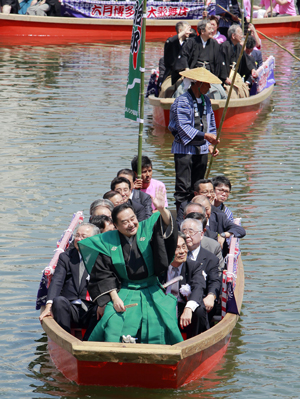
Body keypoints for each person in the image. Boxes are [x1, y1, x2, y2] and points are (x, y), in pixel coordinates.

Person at [78, 187, 183, 345]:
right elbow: (103, 273)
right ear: (116, 225)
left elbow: (167, 227)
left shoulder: (148, 227)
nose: (131, 224)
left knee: (161, 320)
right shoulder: (107, 240)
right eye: (124, 222)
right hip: (124, 290)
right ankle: (107, 358)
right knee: (112, 320)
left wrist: (162, 210)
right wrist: (114, 298)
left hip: (152, 288)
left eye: (132, 218)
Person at [168, 68, 220, 211]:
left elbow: (211, 124)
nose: (209, 87)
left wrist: (210, 143)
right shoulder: (182, 101)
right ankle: (181, 217)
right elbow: (183, 126)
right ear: (198, 83)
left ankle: (196, 214)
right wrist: (205, 136)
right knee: (183, 188)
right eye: (207, 84)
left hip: (201, 149)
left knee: (198, 187)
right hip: (184, 149)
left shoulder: (207, 101)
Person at [39, 223, 100, 339]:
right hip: (70, 307)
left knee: (102, 307)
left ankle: (88, 343)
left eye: (83, 237)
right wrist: (48, 306)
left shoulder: (101, 257)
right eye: (77, 235)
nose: (79, 239)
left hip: (91, 307)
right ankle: (65, 340)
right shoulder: (66, 257)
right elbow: (57, 281)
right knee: (59, 301)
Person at [159, 232, 210, 338]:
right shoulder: (159, 268)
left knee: (199, 310)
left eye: (184, 247)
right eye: (177, 248)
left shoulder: (194, 266)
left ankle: (195, 342)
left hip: (183, 305)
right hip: (163, 305)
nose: (182, 251)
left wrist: (189, 308)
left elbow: (198, 287)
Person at [181, 218, 221, 317]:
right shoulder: (176, 255)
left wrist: (211, 295)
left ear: (201, 235)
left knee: (200, 310)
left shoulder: (211, 258)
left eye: (191, 232)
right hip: (179, 297)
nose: (187, 236)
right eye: (184, 232)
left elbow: (214, 281)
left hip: (201, 298)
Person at [174, 20, 225, 85]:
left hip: (209, 75)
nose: (212, 31)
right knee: (181, 91)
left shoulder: (215, 44)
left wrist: (216, 76)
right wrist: (186, 68)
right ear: (202, 31)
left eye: (212, 29)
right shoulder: (191, 42)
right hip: (193, 73)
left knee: (221, 92)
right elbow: (184, 55)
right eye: (209, 29)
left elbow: (218, 62)